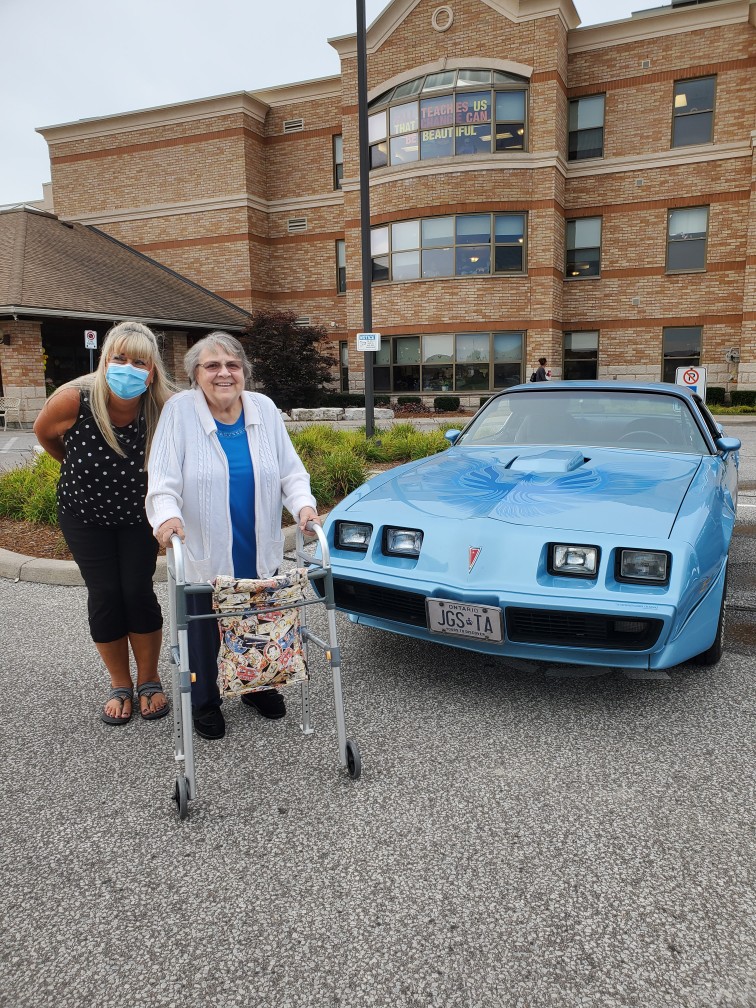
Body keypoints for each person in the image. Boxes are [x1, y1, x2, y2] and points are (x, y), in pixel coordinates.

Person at [146, 332, 319, 742]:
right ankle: (205, 701)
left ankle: (257, 688)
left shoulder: (263, 408)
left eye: (233, 365)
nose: (224, 373)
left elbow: (290, 471)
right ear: (195, 375)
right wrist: (167, 517)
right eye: (212, 366)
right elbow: (163, 479)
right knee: (205, 629)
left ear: (244, 372)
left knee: (259, 621)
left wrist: (304, 506)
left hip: (256, 542)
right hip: (204, 548)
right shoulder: (179, 411)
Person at [33, 321, 174, 726]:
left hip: (136, 517)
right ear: (105, 360)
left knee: (137, 590)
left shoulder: (163, 406)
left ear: (152, 371)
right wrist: (78, 468)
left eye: (140, 362)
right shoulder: (72, 400)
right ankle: (120, 684)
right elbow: (46, 436)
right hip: (84, 515)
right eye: (120, 358)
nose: (129, 368)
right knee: (106, 593)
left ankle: (148, 679)